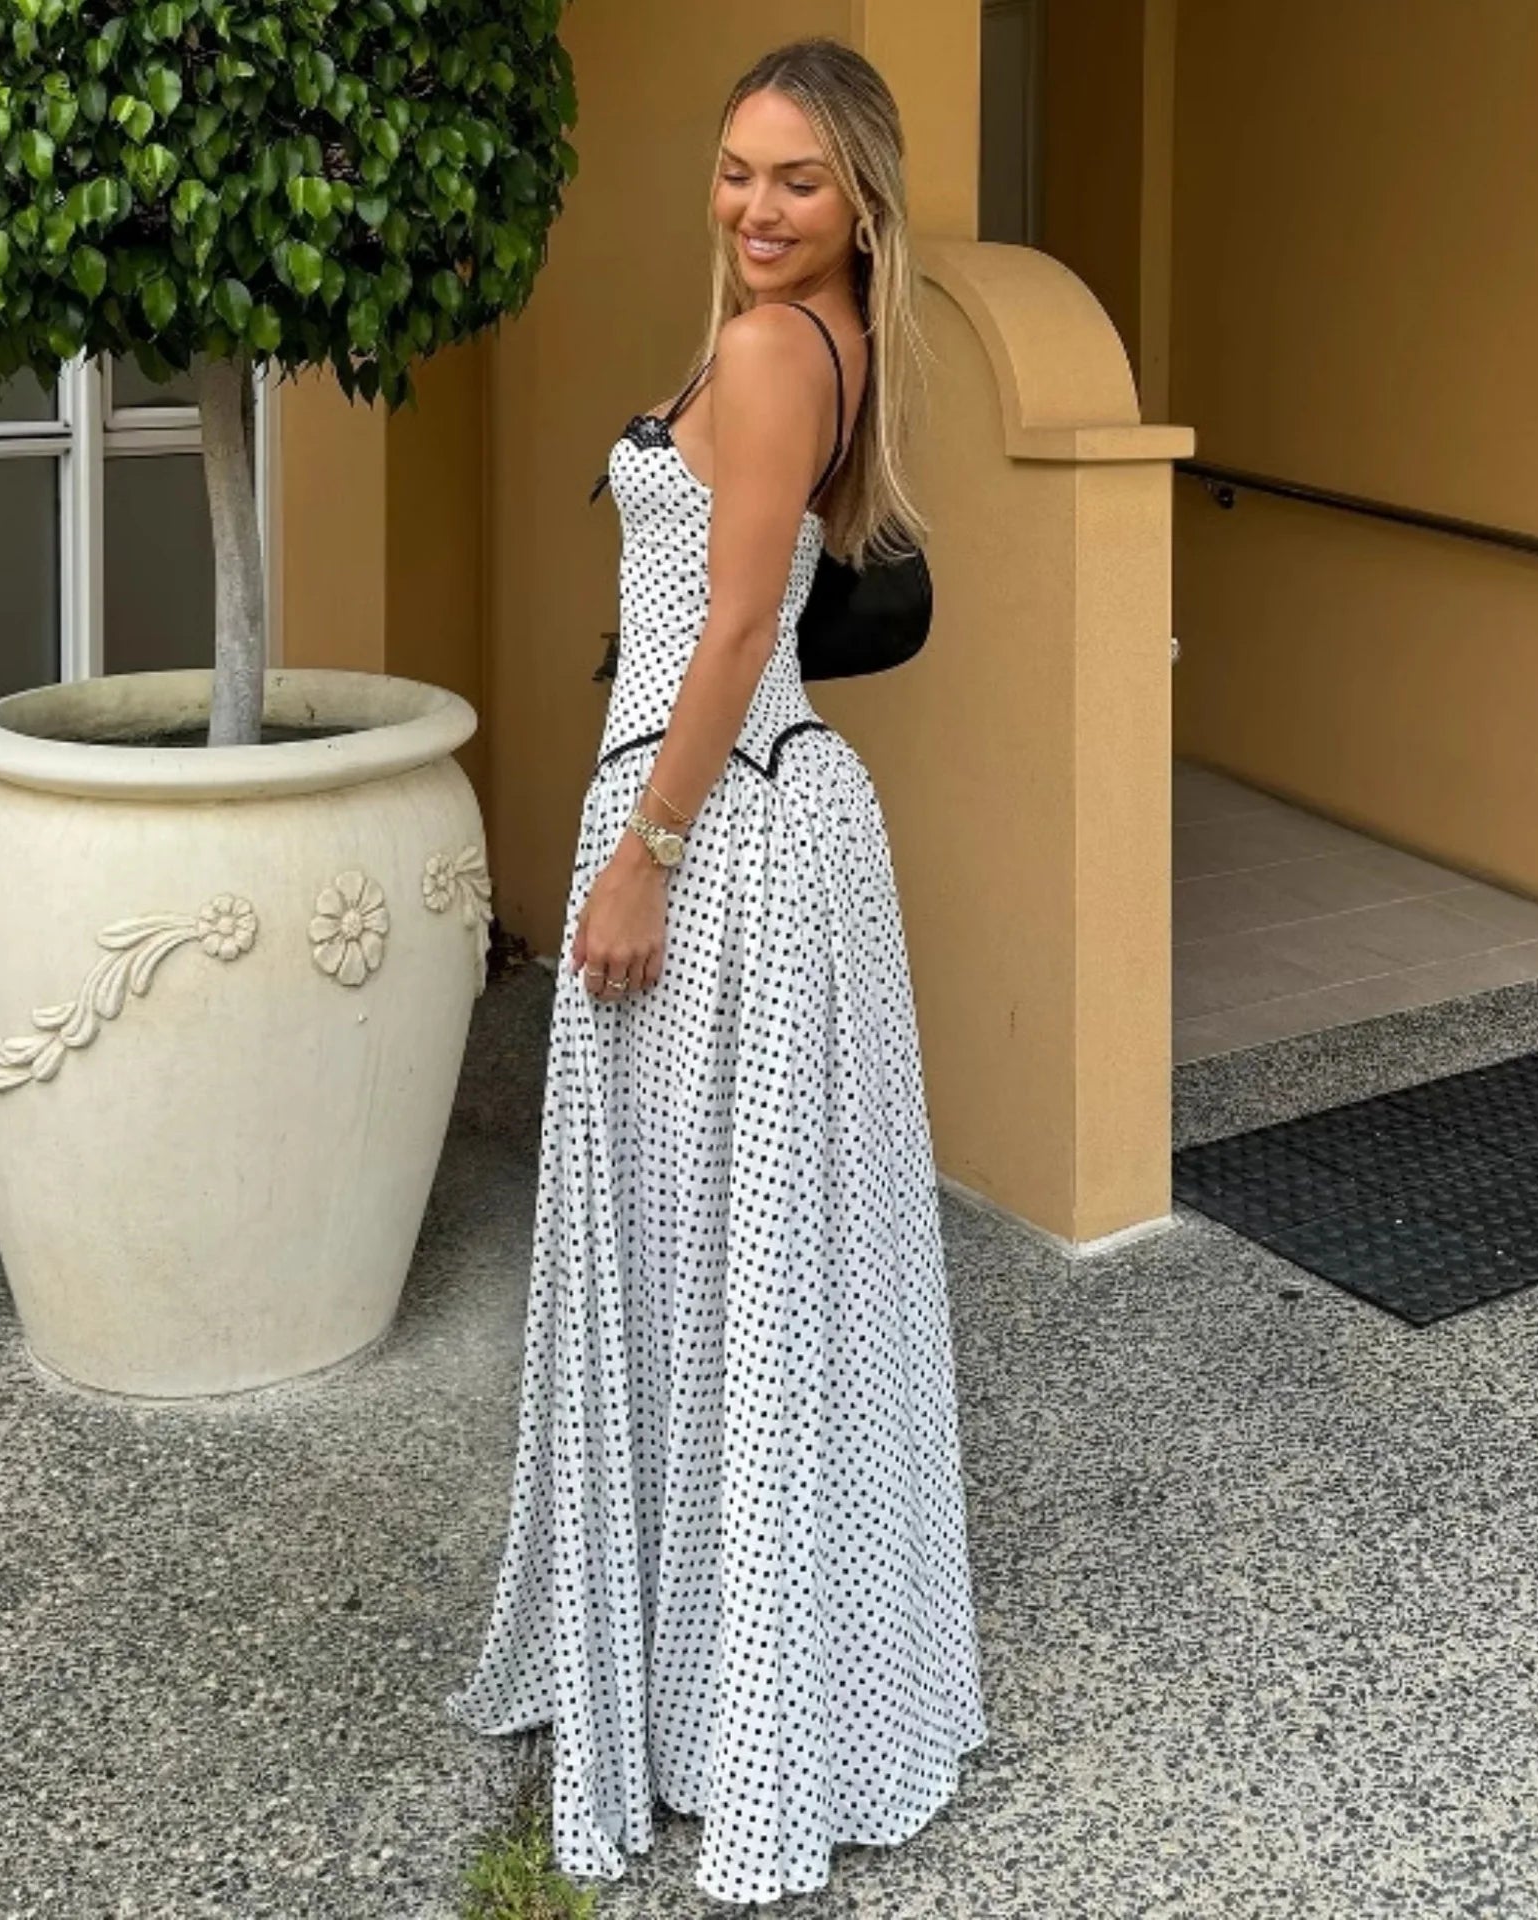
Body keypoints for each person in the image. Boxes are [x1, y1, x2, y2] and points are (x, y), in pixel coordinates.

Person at [444, 36, 987, 1907]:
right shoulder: (811, 341)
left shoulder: (773, 352)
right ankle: (739, 1686)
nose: (758, 206)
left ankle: (726, 1712)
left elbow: (741, 622)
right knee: (740, 1266)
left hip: (723, 839)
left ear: (864, 205)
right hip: (770, 817)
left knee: (704, 1263)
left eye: (800, 181)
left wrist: (642, 860)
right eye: (739, 169)